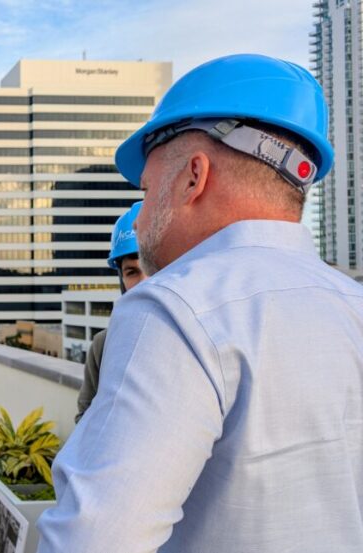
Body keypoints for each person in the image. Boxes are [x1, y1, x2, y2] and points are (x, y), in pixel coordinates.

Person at [37, 54, 363, 552]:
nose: (140, 220)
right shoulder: (351, 303)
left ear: (194, 176)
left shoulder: (173, 308)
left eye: (146, 192)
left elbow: (92, 539)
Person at [74, 201, 146, 423]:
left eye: (152, 268)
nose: (144, 282)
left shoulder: (198, 340)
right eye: (132, 272)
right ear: (122, 280)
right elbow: (85, 420)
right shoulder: (105, 345)